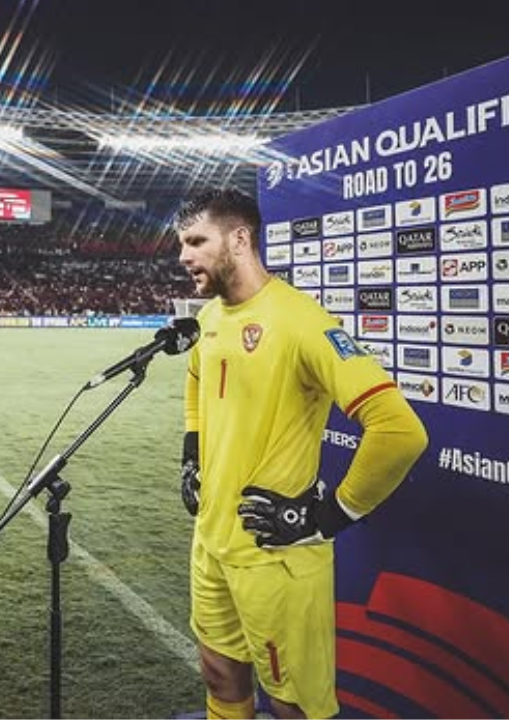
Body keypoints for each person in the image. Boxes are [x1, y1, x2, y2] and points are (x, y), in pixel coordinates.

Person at [174, 188, 428, 719]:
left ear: (239, 239)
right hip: (212, 542)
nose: (184, 256)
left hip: (277, 556)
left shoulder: (300, 321)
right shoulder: (212, 318)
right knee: (220, 675)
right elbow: (197, 376)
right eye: (182, 244)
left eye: (196, 241)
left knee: (293, 707)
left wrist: (328, 516)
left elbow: (400, 430)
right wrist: (192, 453)